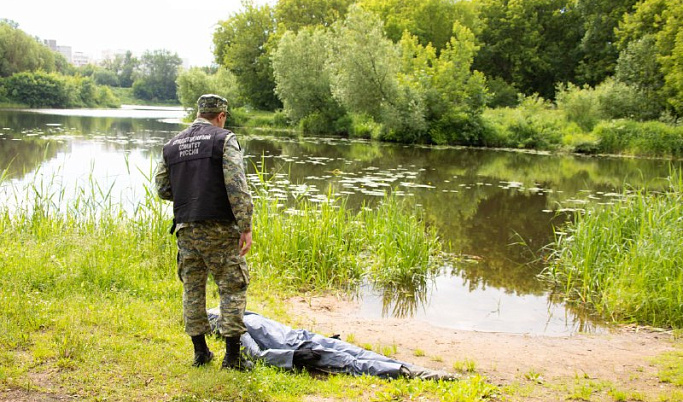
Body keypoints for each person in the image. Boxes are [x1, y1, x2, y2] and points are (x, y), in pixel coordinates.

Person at [154, 94, 253, 370]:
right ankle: (233, 359)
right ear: (221, 116)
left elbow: (163, 189)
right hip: (219, 226)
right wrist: (245, 226)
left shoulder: (172, 145)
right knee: (232, 286)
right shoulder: (224, 139)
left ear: (199, 113)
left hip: (186, 227)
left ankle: (201, 353)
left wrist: (190, 192)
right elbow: (237, 186)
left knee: (193, 289)